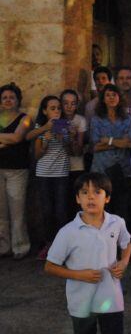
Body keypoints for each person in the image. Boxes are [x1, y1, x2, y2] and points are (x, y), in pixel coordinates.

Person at [44, 172, 131, 334]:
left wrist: (124, 263)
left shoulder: (116, 223)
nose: (91, 197)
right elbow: (50, 266)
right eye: (84, 192)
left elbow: (127, 245)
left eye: (96, 192)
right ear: (77, 200)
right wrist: (78, 274)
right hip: (82, 301)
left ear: (107, 198)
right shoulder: (69, 232)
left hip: (111, 298)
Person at [30, 95, 71, 260]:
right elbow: (37, 155)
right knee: (47, 211)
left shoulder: (65, 125)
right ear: (45, 111)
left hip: (61, 173)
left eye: (58, 108)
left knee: (61, 211)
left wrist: (66, 138)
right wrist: (45, 140)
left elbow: (72, 151)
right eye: (52, 108)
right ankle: (49, 244)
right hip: (44, 174)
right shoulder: (40, 126)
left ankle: (63, 247)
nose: (56, 111)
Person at [90, 84, 131, 222]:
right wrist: (118, 142)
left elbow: (129, 144)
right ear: (103, 98)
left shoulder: (128, 119)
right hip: (101, 170)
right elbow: (95, 146)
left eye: (114, 95)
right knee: (102, 209)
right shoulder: (96, 119)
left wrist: (107, 140)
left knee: (122, 210)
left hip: (123, 170)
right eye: (108, 95)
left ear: (119, 98)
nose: (111, 98)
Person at [0, 83, 32, 259]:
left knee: (17, 210)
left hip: (17, 170)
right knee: (0, 212)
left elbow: (18, 136)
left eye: (11, 97)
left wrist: (11, 139)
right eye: (4, 97)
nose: (8, 100)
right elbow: (12, 139)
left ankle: (20, 247)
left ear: (18, 100)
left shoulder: (25, 118)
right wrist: (9, 140)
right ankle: (3, 247)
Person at [60, 90, 87, 218]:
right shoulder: (57, 120)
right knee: (61, 204)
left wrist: (73, 138)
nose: (69, 107)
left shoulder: (80, 120)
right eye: (65, 103)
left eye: (73, 103)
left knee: (75, 204)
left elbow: (77, 152)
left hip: (76, 167)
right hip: (59, 167)